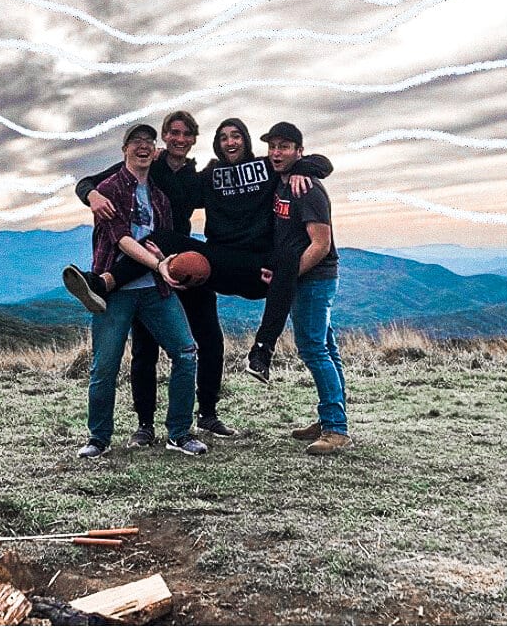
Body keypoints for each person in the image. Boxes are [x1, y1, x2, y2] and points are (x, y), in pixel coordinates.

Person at [66, 117, 332, 383]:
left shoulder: (267, 167)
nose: (231, 142)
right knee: (163, 239)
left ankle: (262, 351)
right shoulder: (208, 176)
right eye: (224, 137)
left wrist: (303, 168)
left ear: (246, 140)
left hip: (258, 267)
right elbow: (97, 180)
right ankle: (102, 284)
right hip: (222, 262)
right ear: (217, 144)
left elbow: (323, 163)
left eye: (236, 136)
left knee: (288, 255)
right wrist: (93, 194)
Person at [74, 110, 234, 445]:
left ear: (192, 139)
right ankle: (104, 437)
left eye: (185, 134)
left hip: (162, 280)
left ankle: (182, 430)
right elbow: (116, 231)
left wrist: (166, 262)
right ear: (126, 148)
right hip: (135, 283)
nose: (145, 147)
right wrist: (91, 194)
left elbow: (164, 234)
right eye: (138, 142)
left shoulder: (167, 193)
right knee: (108, 366)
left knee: (189, 350)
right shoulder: (115, 185)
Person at [267, 122, 350, 456]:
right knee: (326, 348)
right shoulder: (283, 182)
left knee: (314, 349)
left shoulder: (307, 189)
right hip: (308, 280)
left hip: (314, 280)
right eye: (273, 146)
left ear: (298, 151)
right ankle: (330, 417)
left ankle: (336, 429)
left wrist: (287, 280)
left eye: (284, 146)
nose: (276, 152)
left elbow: (320, 244)